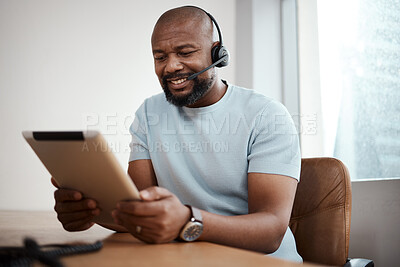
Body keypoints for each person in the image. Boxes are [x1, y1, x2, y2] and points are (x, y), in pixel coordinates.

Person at [52, 6, 302, 262]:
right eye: (160, 57)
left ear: (217, 52)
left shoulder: (266, 115)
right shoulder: (149, 113)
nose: (171, 66)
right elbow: (140, 212)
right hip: (185, 257)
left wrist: (187, 220)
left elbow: (271, 232)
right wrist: (90, 212)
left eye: (185, 52)